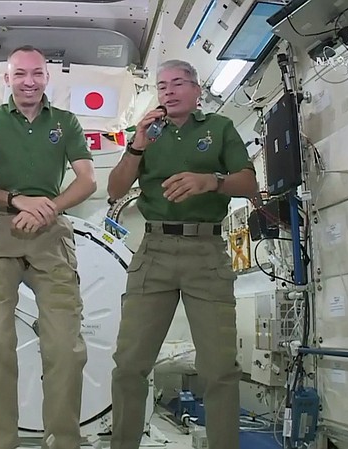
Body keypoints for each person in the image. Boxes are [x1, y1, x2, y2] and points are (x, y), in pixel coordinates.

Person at [107, 59, 258, 449]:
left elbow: (248, 183)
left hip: (204, 251)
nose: (169, 92)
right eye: (162, 86)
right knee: (129, 365)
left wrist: (211, 180)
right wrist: (137, 144)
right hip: (154, 250)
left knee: (220, 368)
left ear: (196, 91)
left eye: (177, 84)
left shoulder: (219, 129)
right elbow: (115, 187)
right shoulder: (146, 136)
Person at [0, 45, 97, 449]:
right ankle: (0, 443)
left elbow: (87, 180)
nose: (29, 81)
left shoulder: (66, 123)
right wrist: (15, 201)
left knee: (65, 347)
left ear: (47, 77)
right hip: (0, 231)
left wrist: (49, 208)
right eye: (20, 74)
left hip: (50, 233)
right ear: (7, 79)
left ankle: (62, 442)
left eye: (37, 74)